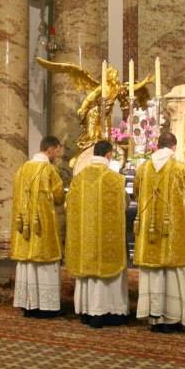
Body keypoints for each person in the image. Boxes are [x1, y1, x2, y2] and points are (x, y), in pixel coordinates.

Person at [133, 131, 185, 332]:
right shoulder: (179, 168)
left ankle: (154, 316)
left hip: (149, 231)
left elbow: (137, 193)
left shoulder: (143, 168)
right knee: (174, 271)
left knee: (153, 271)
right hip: (172, 230)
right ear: (174, 147)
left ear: (157, 146)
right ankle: (174, 317)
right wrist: (183, 208)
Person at [65, 140, 130, 329]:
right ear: (109, 155)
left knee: (89, 273)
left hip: (86, 240)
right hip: (107, 240)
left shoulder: (78, 179)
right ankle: (110, 312)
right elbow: (124, 204)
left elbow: (70, 207)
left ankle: (88, 311)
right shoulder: (115, 180)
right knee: (109, 273)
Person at [10, 135, 66, 318]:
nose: (57, 154)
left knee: (28, 265)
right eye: (57, 150)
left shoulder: (22, 169)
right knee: (44, 264)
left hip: (24, 228)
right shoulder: (49, 170)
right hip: (42, 227)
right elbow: (59, 196)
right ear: (50, 149)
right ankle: (46, 307)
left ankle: (29, 305)